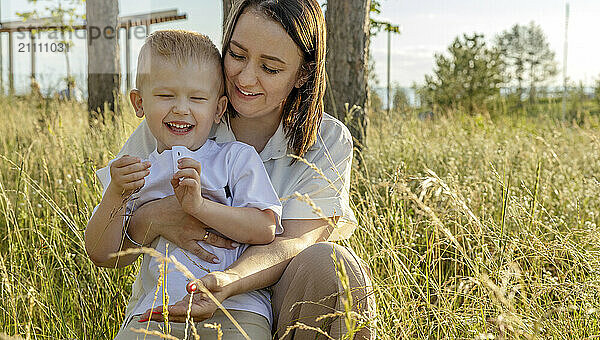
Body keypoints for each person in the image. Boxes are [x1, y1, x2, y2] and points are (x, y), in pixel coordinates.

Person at [99, 0, 376, 339]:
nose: (245, 78)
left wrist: (225, 281)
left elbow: (295, 240)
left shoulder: (327, 140)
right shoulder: (178, 120)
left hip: (269, 304)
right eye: (237, 55)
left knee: (335, 264)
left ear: (303, 73)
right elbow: (110, 246)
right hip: (167, 304)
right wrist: (155, 216)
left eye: (270, 68)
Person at [85, 30, 283, 339]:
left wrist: (200, 207)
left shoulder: (234, 159)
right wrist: (115, 195)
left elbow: (265, 228)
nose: (181, 108)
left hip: (236, 309)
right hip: (157, 311)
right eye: (166, 96)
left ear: (218, 109)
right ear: (139, 103)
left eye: (196, 98)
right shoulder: (132, 171)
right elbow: (102, 255)